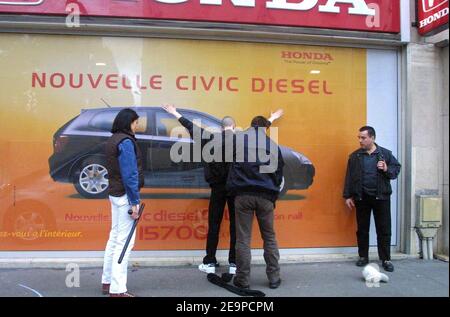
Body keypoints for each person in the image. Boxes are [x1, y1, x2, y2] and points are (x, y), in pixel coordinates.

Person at [162, 104, 283, 276]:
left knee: (214, 224)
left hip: (217, 189)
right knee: (236, 227)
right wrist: (271, 118)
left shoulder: (210, 138)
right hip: (236, 189)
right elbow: (256, 129)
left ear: (220, 127)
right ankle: (234, 263)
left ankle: (210, 261)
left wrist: (174, 113)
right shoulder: (242, 139)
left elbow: (190, 126)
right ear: (234, 126)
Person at [227, 115, 284, 289]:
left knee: (243, 239)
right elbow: (278, 172)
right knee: (269, 237)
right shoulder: (272, 145)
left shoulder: (239, 141)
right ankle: (274, 278)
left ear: (251, 127)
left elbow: (229, 164)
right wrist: (272, 191)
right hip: (265, 196)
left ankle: (242, 279)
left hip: (243, 195)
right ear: (265, 128)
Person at [343, 126, 401, 272]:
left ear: (372, 138)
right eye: (359, 138)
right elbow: (349, 177)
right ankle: (363, 257)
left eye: (363, 137)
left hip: (381, 198)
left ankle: (386, 259)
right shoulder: (355, 156)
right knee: (362, 229)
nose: (360, 140)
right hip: (361, 197)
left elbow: (395, 171)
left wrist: (387, 169)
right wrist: (348, 195)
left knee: (384, 229)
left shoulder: (385, 154)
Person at [101, 108, 144, 297]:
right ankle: (118, 290)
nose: (137, 126)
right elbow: (130, 173)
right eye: (135, 123)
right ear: (129, 123)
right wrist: (134, 202)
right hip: (125, 196)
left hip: (115, 194)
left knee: (114, 238)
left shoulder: (113, 139)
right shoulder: (126, 142)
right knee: (124, 243)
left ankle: (107, 281)